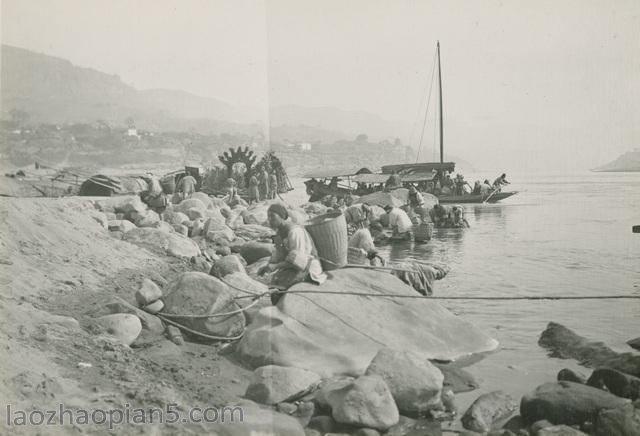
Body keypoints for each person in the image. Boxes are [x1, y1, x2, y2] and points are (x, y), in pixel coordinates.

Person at [259, 204, 326, 303]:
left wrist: (275, 267)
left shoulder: (295, 231)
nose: (269, 219)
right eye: (268, 216)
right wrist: (268, 266)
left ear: (281, 216)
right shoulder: (279, 233)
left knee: (280, 289)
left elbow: (298, 261)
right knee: (274, 284)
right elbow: (279, 254)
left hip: (307, 267)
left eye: (272, 216)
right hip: (293, 266)